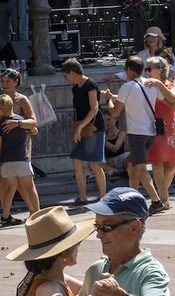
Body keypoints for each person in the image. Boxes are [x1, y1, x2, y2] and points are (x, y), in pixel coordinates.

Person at [101, 56, 164, 215]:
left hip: (137, 133)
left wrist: (108, 100)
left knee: (140, 169)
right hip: (150, 132)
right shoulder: (151, 84)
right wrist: (113, 97)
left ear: (128, 70)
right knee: (133, 167)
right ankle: (130, 201)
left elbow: (114, 112)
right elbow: (133, 99)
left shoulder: (127, 86)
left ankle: (156, 201)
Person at [0, 94, 39, 226]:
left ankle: (5, 216)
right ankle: (37, 214)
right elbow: (34, 130)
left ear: (1, 110)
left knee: (11, 188)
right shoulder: (20, 120)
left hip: (7, 160)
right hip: (21, 158)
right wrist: (21, 125)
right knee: (30, 186)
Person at [62, 58, 107, 207]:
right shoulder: (75, 88)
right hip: (82, 127)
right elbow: (78, 112)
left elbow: (94, 108)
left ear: (72, 73)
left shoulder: (90, 84)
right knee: (76, 161)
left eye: (65, 75)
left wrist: (81, 127)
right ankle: (82, 198)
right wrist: (77, 129)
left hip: (94, 126)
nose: (65, 78)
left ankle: (102, 198)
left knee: (94, 164)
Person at [144, 57, 175, 213]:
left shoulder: (170, 85)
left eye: (149, 69)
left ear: (160, 70)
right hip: (154, 127)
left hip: (170, 127)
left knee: (171, 164)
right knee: (157, 164)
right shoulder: (146, 87)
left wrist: (159, 84)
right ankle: (164, 200)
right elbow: (172, 101)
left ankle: (160, 197)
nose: (146, 72)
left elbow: (173, 99)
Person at [107, 27, 175, 84]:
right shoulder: (141, 55)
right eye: (148, 36)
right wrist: (115, 76)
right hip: (146, 89)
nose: (151, 39)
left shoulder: (167, 54)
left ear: (159, 38)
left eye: (154, 37)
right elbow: (133, 71)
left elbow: (174, 73)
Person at [101, 111, 128, 177]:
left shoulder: (121, 133)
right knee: (93, 164)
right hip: (109, 162)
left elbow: (115, 149)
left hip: (122, 160)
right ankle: (118, 171)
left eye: (109, 119)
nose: (106, 122)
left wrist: (104, 142)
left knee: (132, 157)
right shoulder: (103, 134)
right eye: (105, 120)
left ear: (115, 119)